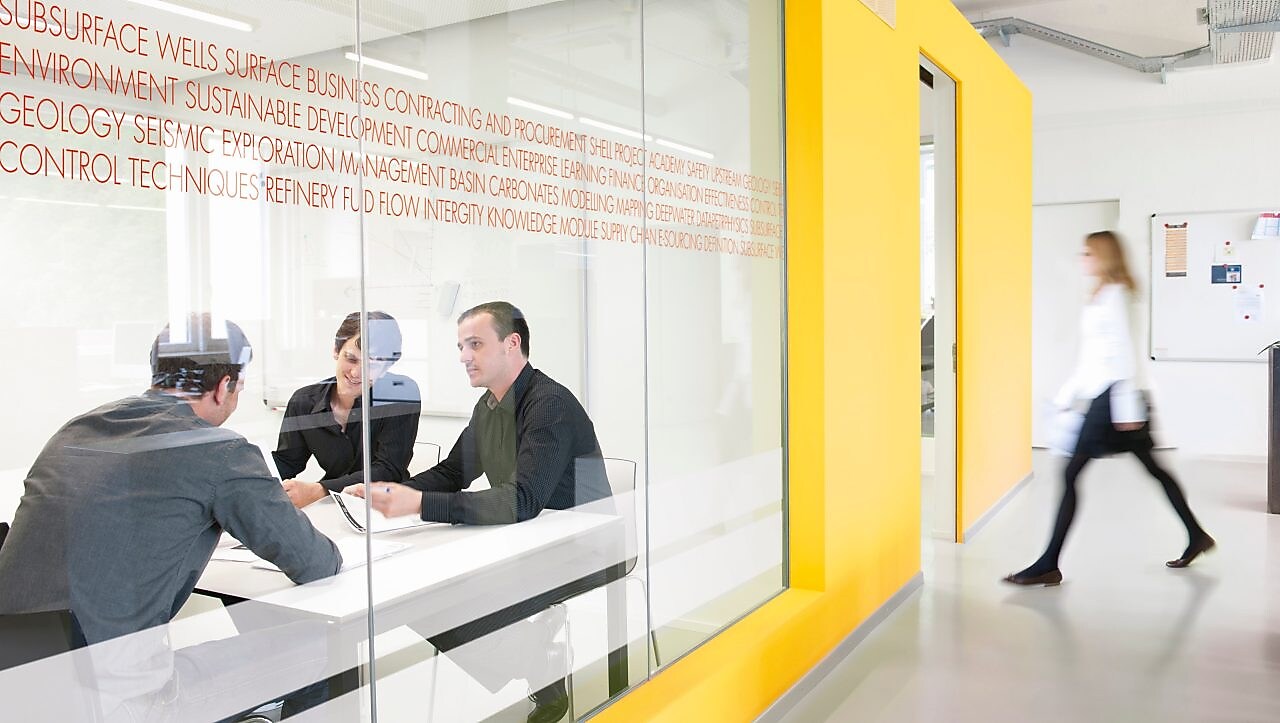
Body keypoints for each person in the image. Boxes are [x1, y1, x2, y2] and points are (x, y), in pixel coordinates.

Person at [0, 314, 342, 646]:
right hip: (120, 691)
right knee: (312, 644)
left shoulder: (76, 430)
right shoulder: (218, 451)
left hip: (20, 680)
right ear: (224, 387)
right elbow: (316, 562)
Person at [348, 301, 612, 723]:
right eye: (460, 346)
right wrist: (396, 492)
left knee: (444, 594)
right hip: (526, 543)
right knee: (420, 594)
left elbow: (521, 500)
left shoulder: (548, 405)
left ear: (512, 344)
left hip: (577, 551)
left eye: (474, 344)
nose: (463, 356)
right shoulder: (489, 406)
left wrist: (416, 503)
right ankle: (535, 660)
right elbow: (457, 471)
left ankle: (535, 657)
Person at [1004, 231, 1215, 586]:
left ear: (1103, 256)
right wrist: (1066, 396)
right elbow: (1093, 359)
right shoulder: (1102, 295)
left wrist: (1128, 409)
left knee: (1073, 474)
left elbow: (1125, 356)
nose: (1081, 258)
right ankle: (1197, 535)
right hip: (1112, 398)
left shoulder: (1117, 295)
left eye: (1087, 252)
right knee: (1154, 470)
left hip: (1118, 400)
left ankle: (1048, 563)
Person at [273, 311, 421, 508]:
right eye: (351, 359)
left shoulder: (400, 393)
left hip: (384, 508)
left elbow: (388, 470)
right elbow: (287, 462)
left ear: (387, 365)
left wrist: (319, 490)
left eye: (373, 364)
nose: (356, 373)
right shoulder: (304, 401)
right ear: (336, 350)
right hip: (331, 507)